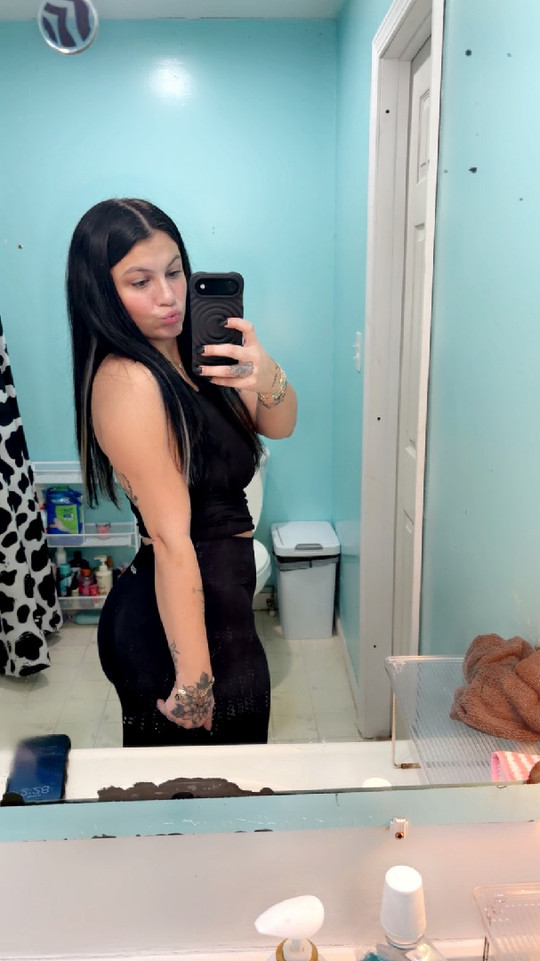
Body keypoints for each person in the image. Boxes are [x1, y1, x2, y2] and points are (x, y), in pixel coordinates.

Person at [66, 198, 297, 747]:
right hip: (173, 624)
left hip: (223, 603)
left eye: (173, 272)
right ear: (102, 292)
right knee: (188, 789)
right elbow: (172, 541)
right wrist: (194, 683)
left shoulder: (199, 354)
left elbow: (280, 424)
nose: (168, 296)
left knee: (234, 774)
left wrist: (264, 371)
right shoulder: (129, 381)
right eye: (140, 282)